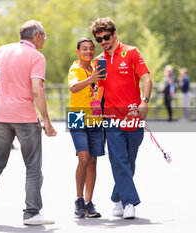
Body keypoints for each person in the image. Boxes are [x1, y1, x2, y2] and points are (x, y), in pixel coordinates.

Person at [0, 20, 57, 226]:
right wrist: (46, 120)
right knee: (32, 166)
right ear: (38, 36)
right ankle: (32, 213)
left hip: (0, 117)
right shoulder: (36, 56)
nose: (44, 40)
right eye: (44, 36)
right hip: (25, 118)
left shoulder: (5, 50)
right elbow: (36, 90)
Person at [91, 17, 152, 219]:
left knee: (129, 160)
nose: (103, 42)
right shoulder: (98, 62)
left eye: (106, 37)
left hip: (134, 115)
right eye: (99, 39)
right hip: (111, 117)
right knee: (118, 159)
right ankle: (129, 203)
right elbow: (97, 92)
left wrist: (145, 101)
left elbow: (146, 77)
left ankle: (117, 196)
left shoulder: (132, 52)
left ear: (115, 33)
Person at [67, 38, 106, 218]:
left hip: (95, 117)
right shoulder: (75, 69)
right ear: (78, 52)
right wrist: (91, 79)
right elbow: (73, 87)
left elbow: (99, 92)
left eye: (91, 49)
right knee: (83, 158)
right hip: (77, 116)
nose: (88, 52)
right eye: (84, 49)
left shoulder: (97, 69)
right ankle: (79, 199)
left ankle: (89, 203)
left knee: (93, 161)